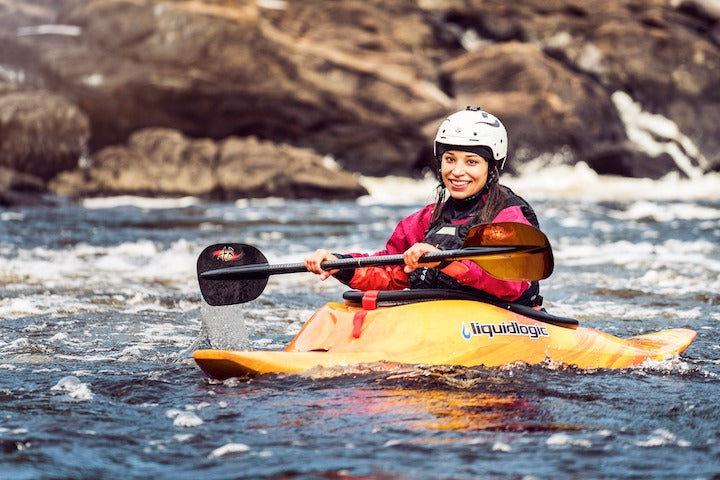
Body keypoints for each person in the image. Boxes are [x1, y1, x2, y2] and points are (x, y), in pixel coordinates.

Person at [304, 106, 543, 306]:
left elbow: (511, 284)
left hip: (499, 320)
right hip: (438, 320)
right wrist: (341, 265)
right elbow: (391, 272)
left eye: (472, 162)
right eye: (450, 159)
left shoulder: (508, 216)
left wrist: (445, 262)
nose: (457, 171)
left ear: (491, 168)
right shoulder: (426, 220)